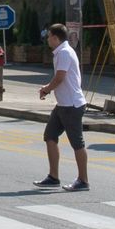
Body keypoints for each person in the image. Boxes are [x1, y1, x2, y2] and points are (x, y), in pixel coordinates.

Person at [35, 21, 92, 191]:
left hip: (72, 105)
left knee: (77, 143)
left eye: (49, 37)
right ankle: (53, 177)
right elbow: (60, 79)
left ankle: (83, 180)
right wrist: (48, 88)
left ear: (54, 37)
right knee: (50, 136)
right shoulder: (61, 52)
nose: (47, 40)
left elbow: (60, 77)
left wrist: (46, 89)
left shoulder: (65, 53)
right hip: (63, 105)